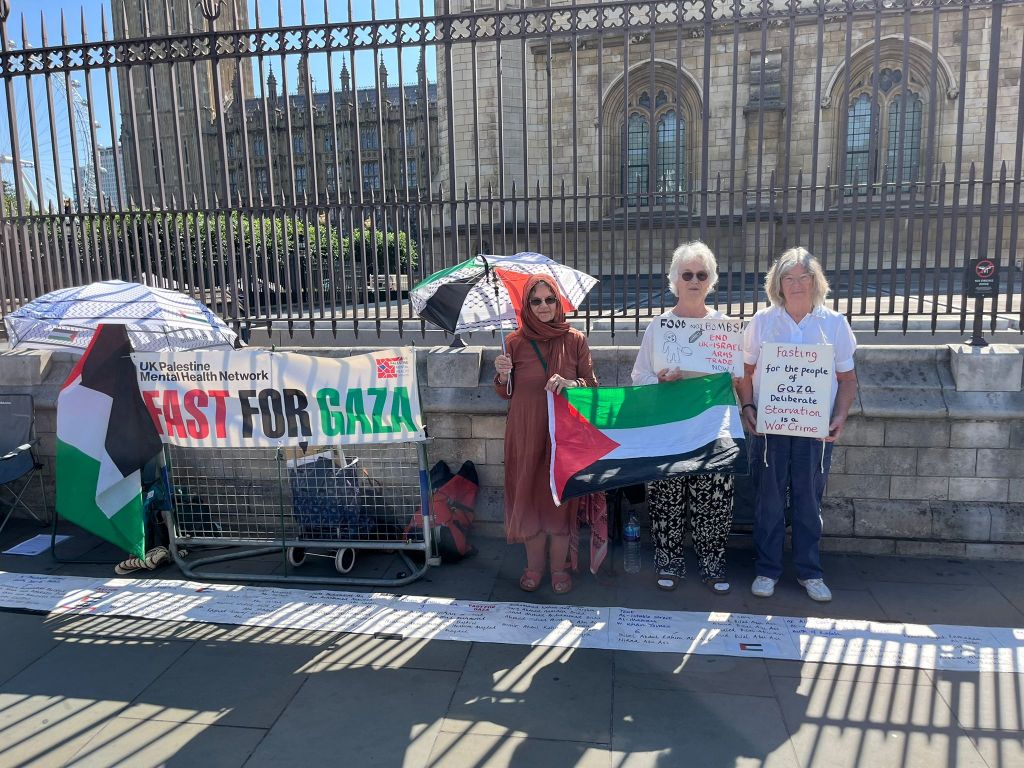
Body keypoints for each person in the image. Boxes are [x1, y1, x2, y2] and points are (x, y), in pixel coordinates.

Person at [736, 247, 858, 603]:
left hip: (814, 430)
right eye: (788, 278)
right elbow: (744, 373)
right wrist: (747, 406)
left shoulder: (834, 324)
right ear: (778, 284)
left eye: (803, 277)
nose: (796, 284)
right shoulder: (761, 322)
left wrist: (840, 416)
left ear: (814, 281)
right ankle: (767, 569)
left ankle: (810, 572)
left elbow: (848, 379)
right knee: (769, 501)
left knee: (809, 501)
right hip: (771, 429)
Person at [631, 241, 737, 595]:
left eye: (701, 274)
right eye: (687, 274)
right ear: (674, 280)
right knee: (667, 498)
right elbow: (639, 376)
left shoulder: (725, 328)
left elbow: (738, 378)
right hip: (670, 429)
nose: (694, 280)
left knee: (714, 500)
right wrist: (658, 379)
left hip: (712, 430)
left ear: (711, 281)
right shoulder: (658, 327)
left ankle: (712, 563)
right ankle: (669, 562)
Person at [494, 274, 598, 595]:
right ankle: (533, 567)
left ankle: (559, 567)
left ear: (559, 302)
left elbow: (592, 386)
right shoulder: (512, 342)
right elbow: (504, 392)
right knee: (528, 498)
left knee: (559, 501)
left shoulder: (575, 339)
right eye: (535, 301)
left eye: (549, 299)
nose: (543, 307)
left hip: (561, 435)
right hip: (524, 433)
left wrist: (570, 384)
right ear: (526, 305)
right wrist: (501, 374)